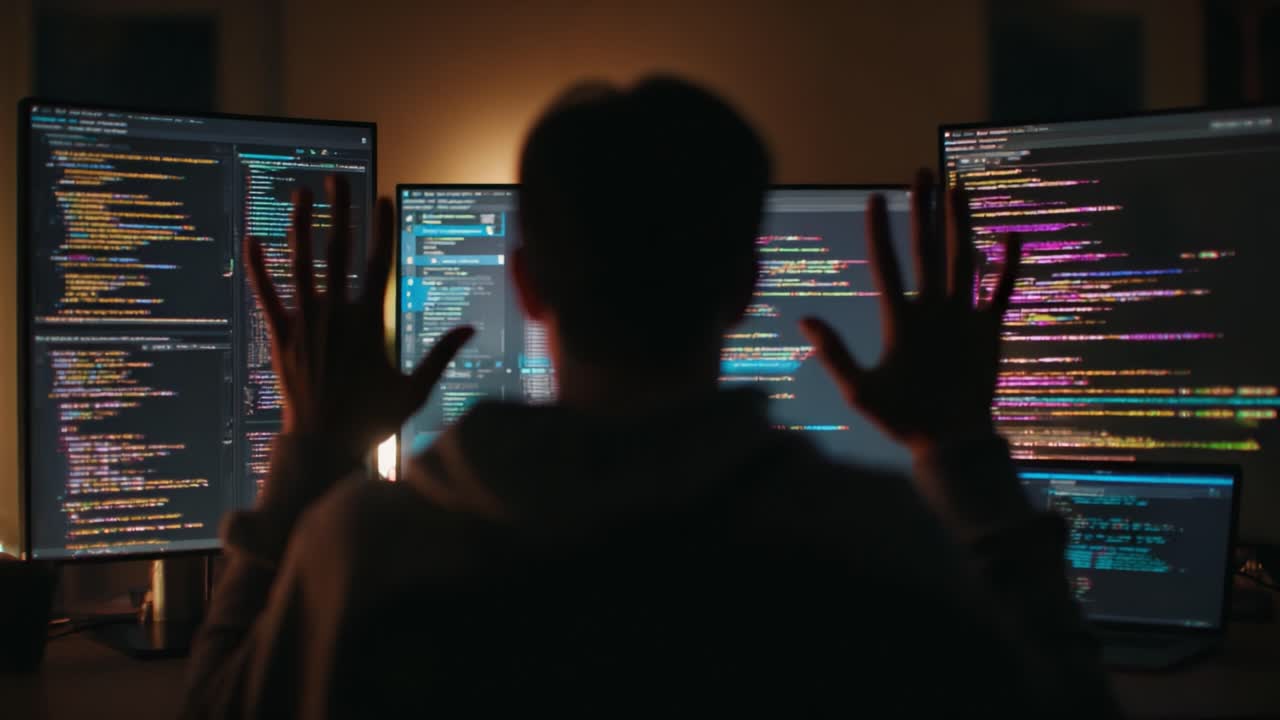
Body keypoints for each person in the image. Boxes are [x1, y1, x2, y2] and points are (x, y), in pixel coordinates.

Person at [183, 77, 1120, 718]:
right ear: (747, 288)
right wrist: (959, 443)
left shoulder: (360, 553)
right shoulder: (876, 545)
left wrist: (311, 448)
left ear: (529, 287)